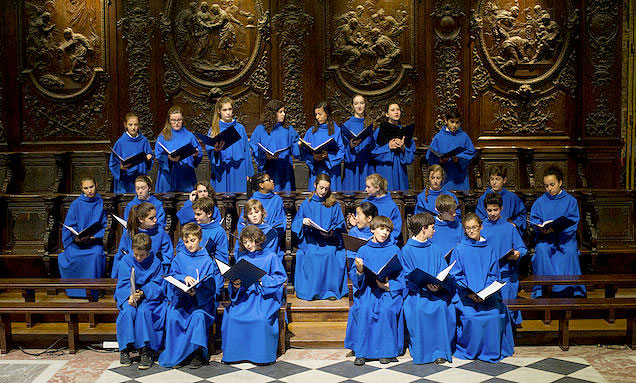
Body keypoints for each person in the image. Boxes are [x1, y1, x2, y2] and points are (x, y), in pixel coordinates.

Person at [450, 213, 514, 363]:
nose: (471, 231)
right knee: (472, 317)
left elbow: (494, 274)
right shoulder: (459, 249)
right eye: (468, 228)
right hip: (466, 297)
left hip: (488, 296)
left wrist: (485, 293)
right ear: (464, 230)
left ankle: (490, 350)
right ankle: (471, 350)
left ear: (481, 227)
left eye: (474, 227)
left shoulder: (489, 249)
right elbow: (456, 275)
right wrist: (469, 294)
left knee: (494, 315)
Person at [158, 223, 223, 368]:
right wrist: (183, 278)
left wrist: (196, 293)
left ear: (199, 238)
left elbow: (210, 286)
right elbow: (173, 276)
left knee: (198, 317)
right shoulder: (179, 257)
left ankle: (197, 354)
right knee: (173, 316)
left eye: (192, 240)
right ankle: (178, 355)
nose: (189, 245)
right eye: (186, 242)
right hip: (182, 301)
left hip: (201, 304)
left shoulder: (207, 259)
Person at [221, 226, 287, 364]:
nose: (248, 245)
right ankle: (236, 355)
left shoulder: (271, 257)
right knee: (232, 316)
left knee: (260, 319)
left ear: (258, 240)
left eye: (250, 241)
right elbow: (236, 282)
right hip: (245, 297)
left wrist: (262, 279)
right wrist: (237, 285)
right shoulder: (242, 258)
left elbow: (280, 278)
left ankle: (261, 356)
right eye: (245, 242)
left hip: (264, 298)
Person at [345, 216, 405, 366]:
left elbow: (403, 275)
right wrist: (359, 270)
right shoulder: (363, 249)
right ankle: (362, 352)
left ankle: (386, 352)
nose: (385, 233)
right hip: (368, 290)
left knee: (386, 309)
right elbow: (356, 278)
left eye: (388, 230)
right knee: (364, 309)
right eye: (381, 229)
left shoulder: (395, 249)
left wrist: (390, 286)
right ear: (372, 230)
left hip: (388, 291)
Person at [401, 213, 455, 364]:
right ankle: (422, 351)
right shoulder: (407, 250)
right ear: (423, 228)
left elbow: (443, 271)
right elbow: (406, 275)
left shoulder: (435, 249)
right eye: (432, 227)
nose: (434, 230)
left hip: (436, 293)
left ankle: (440, 351)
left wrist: (438, 285)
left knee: (441, 307)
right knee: (418, 309)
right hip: (417, 294)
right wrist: (424, 286)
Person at [530, 167, 586, 298]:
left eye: (552, 185)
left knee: (571, 252)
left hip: (564, 239)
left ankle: (571, 290)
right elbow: (534, 219)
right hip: (546, 239)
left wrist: (556, 228)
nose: (549, 189)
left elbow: (573, 222)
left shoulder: (570, 201)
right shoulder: (540, 201)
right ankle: (543, 291)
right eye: (546, 186)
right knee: (542, 251)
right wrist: (543, 229)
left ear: (560, 182)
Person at [291, 173, 347, 300]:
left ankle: (329, 292)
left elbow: (340, 224)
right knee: (311, 254)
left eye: (326, 189)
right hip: (311, 241)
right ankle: (311, 292)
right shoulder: (307, 203)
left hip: (329, 241)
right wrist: (303, 222)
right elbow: (296, 223)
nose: (323, 191)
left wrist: (333, 232)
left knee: (330, 253)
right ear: (315, 185)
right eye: (321, 188)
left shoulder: (334, 204)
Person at [115, 233, 165, 370]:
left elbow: (157, 284)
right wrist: (129, 296)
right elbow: (124, 282)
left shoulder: (156, 263)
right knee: (128, 312)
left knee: (144, 312)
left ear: (148, 252)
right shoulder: (126, 260)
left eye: (142, 255)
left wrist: (143, 292)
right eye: (136, 254)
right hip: (129, 296)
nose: (138, 258)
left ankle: (145, 350)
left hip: (149, 298)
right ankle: (125, 349)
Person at [481, 193, 527, 326]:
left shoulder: (509, 227)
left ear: (501, 208)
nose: (493, 213)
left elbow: (522, 248)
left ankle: (509, 327)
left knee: (507, 298)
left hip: (506, 272)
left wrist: (517, 253)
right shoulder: (482, 227)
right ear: (485, 210)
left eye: (495, 210)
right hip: (487, 273)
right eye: (489, 210)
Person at [58, 176, 107, 298]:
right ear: (81, 189)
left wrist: (95, 236)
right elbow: (69, 225)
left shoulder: (102, 202)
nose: (89, 190)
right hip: (78, 242)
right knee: (68, 256)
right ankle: (75, 291)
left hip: (95, 242)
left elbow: (105, 225)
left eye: (91, 187)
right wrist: (76, 238)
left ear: (96, 185)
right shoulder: (76, 204)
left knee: (96, 255)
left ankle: (95, 290)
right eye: (86, 188)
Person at [113, 202, 174, 278]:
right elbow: (120, 256)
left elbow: (167, 256)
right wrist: (116, 277)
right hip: (133, 272)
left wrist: (163, 275)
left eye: (155, 216)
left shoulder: (160, 232)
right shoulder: (129, 233)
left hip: (154, 272)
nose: (156, 220)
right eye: (151, 218)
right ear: (141, 219)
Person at [249, 100, 300, 191]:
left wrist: (299, 145)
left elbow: (295, 148)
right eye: (280, 112)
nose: (283, 114)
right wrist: (265, 156)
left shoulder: (288, 129)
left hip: (284, 169)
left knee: (286, 198)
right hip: (268, 168)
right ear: (272, 113)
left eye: (284, 111)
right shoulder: (260, 129)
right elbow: (254, 147)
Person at [205, 96, 253, 193]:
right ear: (219, 111)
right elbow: (209, 150)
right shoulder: (214, 129)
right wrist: (216, 151)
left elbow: (246, 151)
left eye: (230, 109)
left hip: (238, 168)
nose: (228, 112)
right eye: (225, 110)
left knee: (239, 198)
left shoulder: (240, 128)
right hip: (221, 169)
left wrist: (248, 173)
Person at [426, 108, 476, 191]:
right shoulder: (438, 137)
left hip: (460, 178)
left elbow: (471, 152)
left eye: (457, 122)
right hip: (445, 176)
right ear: (446, 120)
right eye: (452, 122)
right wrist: (440, 161)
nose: (455, 125)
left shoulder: (464, 136)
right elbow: (430, 156)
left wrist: (459, 159)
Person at [155, 105, 203, 192]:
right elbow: (159, 156)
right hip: (168, 177)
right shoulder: (163, 136)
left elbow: (198, 154)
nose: (176, 123)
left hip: (185, 176)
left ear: (183, 119)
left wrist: (196, 155)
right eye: (173, 120)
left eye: (179, 120)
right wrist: (169, 158)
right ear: (169, 121)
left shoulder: (189, 136)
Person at [300, 101, 345, 191]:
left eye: (320, 114)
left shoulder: (337, 131)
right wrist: (313, 156)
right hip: (317, 170)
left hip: (332, 171)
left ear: (327, 113)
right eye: (316, 114)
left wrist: (328, 155)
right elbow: (305, 154)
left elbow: (342, 151)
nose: (317, 117)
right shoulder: (311, 132)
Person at [371, 103, 415, 191]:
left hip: (400, 169)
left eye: (398, 110)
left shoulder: (405, 132)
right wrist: (388, 147)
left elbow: (411, 157)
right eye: (393, 110)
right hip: (385, 168)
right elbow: (373, 152)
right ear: (387, 114)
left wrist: (403, 148)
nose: (396, 112)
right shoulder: (379, 131)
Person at [176, 197, 229, 266]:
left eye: (198, 214)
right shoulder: (191, 227)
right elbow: (180, 247)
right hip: (189, 265)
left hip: (208, 270)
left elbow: (221, 259)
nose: (195, 217)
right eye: (194, 214)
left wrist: (206, 267)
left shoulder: (219, 232)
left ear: (209, 214)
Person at [109, 113, 153, 193]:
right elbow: (113, 163)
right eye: (130, 124)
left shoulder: (144, 141)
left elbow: (149, 160)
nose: (133, 127)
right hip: (125, 181)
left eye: (135, 124)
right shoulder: (120, 142)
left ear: (139, 125)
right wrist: (120, 167)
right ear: (125, 125)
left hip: (140, 180)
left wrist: (148, 159)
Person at [476, 166, 526, 233]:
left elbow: (521, 216)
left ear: (504, 180)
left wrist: (514, 224)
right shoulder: (483, 198)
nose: (494, 182)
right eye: (492, 179)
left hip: (508, 230)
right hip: (490, 230)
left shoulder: (513, 198)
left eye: (497, 179)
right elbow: (479, 217)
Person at [342, 95, 374, 191]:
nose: (359, 106)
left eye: (362, 103)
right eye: (356, 104)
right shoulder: (347, 125)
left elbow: (375, 146)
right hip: (352, 165)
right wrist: (350, 146)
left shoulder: (371, 123)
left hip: (367, 164)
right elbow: (342, 148)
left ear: (365, 105)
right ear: (352, 106)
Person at [362, 173, 402, 244]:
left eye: (368, 187)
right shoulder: (364, 203)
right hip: (365, 241)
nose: (365, 189)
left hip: (385, 242)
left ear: (377, 188)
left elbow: (396, 229)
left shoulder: (391, 206)